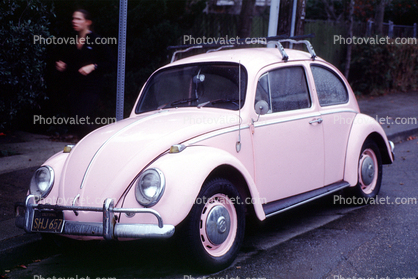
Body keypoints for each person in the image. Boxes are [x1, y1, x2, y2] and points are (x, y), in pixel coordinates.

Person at [56, 9, 114, 138]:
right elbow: (71, 63)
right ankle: (83, 147)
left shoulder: (96, 40)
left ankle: (98, 141)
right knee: (76, 120)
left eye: (78, 19)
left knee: (82, 117)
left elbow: (110, 63)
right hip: (75, 87)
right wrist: (63, 66)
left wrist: (93, 66)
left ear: (87, 22)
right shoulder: (72, 41)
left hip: (91, 87)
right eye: (73, 18)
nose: (74, 21)